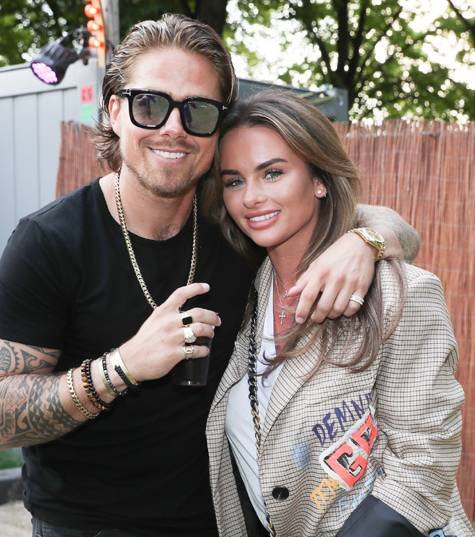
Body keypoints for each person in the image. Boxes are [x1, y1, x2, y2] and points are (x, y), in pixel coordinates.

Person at [0, 14, 418, 537]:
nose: (173, 128)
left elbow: (378, 222)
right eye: (149, 105)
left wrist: (366, 242)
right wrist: (122, 367)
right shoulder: (51, 241)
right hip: (86, 525)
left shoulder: (235, 222)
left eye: (197, 110)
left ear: (217, 126)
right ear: (115, 110)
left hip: (221, 518)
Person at [205, 89, 474, 537]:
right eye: (234, 181)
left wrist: (365, 241)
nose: (251, 197)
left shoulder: (401, 294)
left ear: (319, 180)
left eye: (273, 173)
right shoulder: (243, 289)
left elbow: (423, 468)